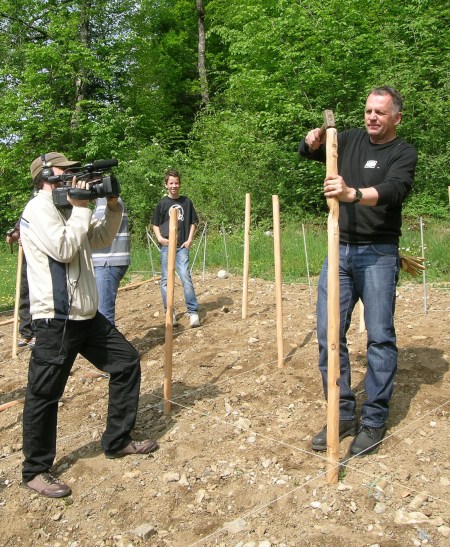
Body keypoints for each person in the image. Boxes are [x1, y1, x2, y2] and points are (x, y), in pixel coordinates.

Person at [19, 152, 157, 499]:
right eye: (68, 173)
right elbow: (65, 249)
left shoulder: (66, 208)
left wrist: (111, 206)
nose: (76, 179)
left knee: (125, 362)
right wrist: (81, 207)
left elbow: (100, 239)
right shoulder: (38, 210)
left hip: (85, 316)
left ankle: (117, 441)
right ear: (49, 175)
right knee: (44, 394)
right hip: (56, 320)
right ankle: (35, 470)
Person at [299, 86, 418, 457]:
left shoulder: (403, 152)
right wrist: (314, 140)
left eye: (380, 113)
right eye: (368, 110)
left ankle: (373, 421)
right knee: (328, 334)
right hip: (339, 252)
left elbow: (395, 190)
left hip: (379, 253)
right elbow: (307, 153)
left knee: (380, 338)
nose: (371, 117)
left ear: (397, 117)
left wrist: (352, 193)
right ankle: (344, 411)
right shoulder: (348, 140)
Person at [152, 169, 200, 328]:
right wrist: (159, 238)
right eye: (171, 183)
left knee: (185, 276)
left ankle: (193, 312)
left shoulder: (186, 202)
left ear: (180, 184)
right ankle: (169, 312)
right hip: (167, 246)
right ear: (166, 185)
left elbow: (193, 222)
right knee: (166, 280)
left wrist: (190, 239)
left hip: (182, 246)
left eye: (176, 183)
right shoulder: (162, 203)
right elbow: (155, 224)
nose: (174, 186)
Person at [92, 195, 131, 325]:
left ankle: (108, 345)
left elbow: (93, 231)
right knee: (102, 313)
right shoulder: (105, 201)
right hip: (108, 261)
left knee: (104, 315)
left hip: (108, 261)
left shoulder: (108, 202)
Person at [5, 215, 36, 348]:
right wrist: (15, 235)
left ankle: (38, 333)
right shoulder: (32, 202)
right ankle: (26, 333)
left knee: (38, 294)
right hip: (27, 254)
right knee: (24, 291)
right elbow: (21, 226)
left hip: (41, 254)